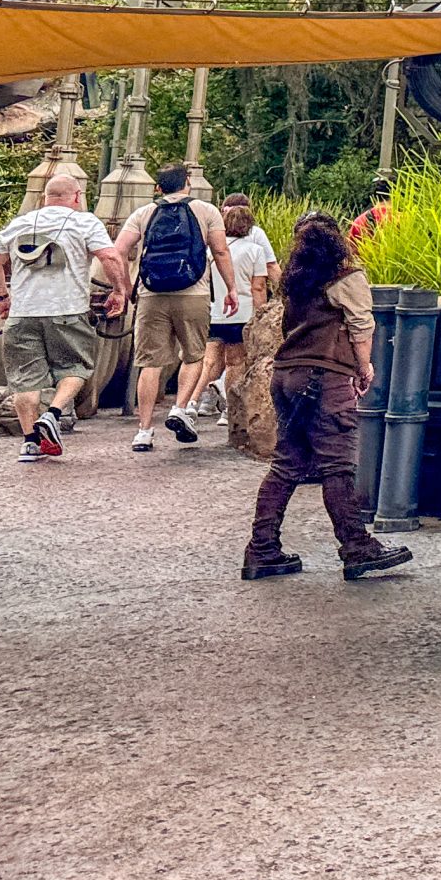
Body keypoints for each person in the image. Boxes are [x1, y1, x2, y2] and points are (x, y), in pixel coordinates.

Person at [243, 213, 409, 581]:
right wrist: (364, 368)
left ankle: (262, 549)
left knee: (286, 465)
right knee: (337, 466)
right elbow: (362, 327)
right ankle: (357, 547)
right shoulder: (346, 278)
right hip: (324, 379)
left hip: (286, 376)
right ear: (337, 240)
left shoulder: (295, 282)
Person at [0, 174, 129, 461]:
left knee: (26, 380)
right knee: (76, 367)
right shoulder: (85, 222)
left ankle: (30, 443)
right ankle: (52, 414)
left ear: (44, 197)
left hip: (23, 313)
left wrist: (2, 299)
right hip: (68, 311)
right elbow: (111, 257)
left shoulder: (20, 223)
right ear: (77, 196)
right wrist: (118, 290)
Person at [111, 164, 237, 452]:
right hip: (193, 292)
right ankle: (179, 408)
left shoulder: (144, 213)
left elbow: (118, 251)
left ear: (158, 187)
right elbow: (220, 251)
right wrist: (231, 288)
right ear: (187, 183)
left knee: (150, 363)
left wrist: (124, 287)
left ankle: (143, 431)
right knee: (193, 355)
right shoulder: (206, 210)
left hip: (152, 293)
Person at [194, 193, 273, 425]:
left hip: (215, 312)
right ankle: (229, 409)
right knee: (235, 362)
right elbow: (258, 287)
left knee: (209, 361)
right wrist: (261, 314)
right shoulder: (255, 250)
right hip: (242, 314)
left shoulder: (211, 251)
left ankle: (192, 402)